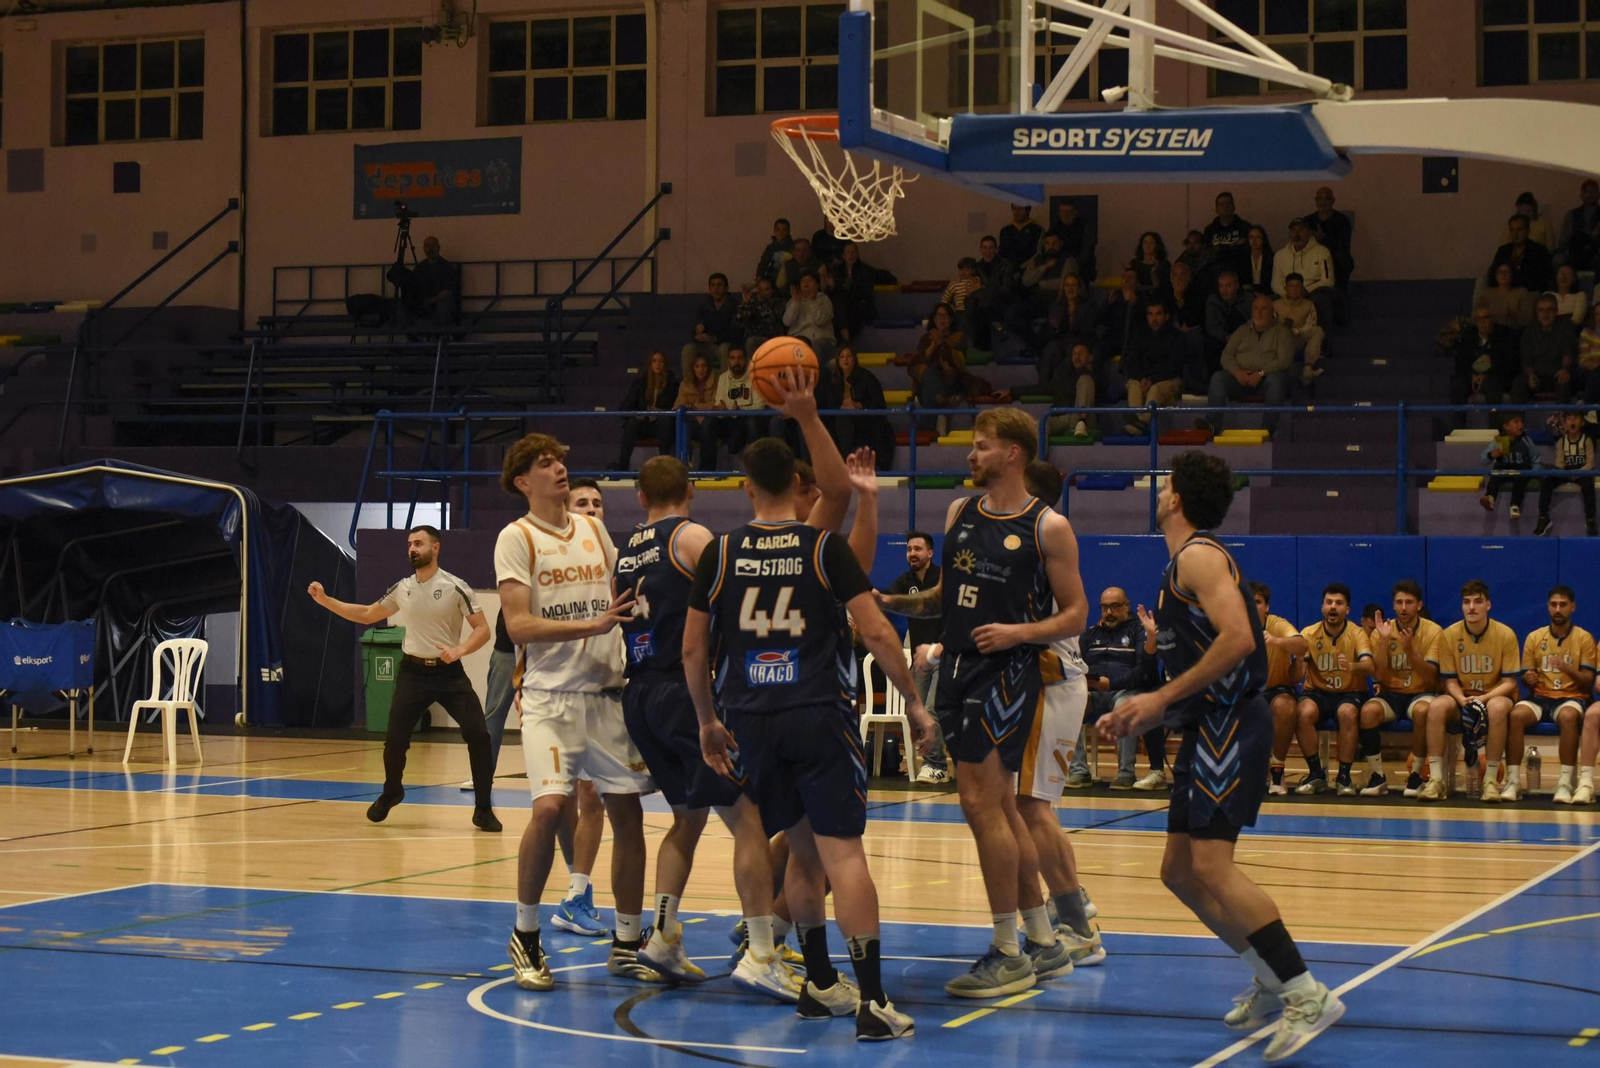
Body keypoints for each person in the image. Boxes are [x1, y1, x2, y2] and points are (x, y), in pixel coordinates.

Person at [689, 373, 934, 1040]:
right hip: (818, 710)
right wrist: (914, 702)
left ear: (746, 488)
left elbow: (693, 649)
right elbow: (879, 631)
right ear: (798, 488)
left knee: (801, 854)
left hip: (749, 717)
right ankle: (875, 1001)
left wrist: (709, 720)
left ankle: (820, 983)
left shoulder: (719, 551)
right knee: (843, 857)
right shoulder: (820, 545)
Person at [1100, 450, 1344, 1061]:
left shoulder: (1200, 556)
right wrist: (1159, 704)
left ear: (1177, 497)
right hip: (1206, 721)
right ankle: (1268, 973)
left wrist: (1159, 698)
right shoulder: (1181, 562)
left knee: (1211, 866)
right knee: (1178, 871)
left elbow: (1240, 639)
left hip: (1231, 721)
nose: (1158, 493)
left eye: (1164, 486)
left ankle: (1305, 990)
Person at [878, 408, 1087, 999]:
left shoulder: (1049, 526)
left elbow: (1076, 614)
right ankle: (1043, 942)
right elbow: (949, 597)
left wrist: (1019, 633)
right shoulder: (959, 513)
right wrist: (890, 602)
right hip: (962, 667)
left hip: (1009, 670)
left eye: (981, 447)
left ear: (1013, 454)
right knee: (998, 809)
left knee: (980, 805)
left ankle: (1007, 950)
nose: (970, 456)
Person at [498, 432, 657, 991]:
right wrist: (592, 625)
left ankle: (628, 941)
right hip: (550, 700)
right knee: (548, 809)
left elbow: (624, 595)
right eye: (546, 464)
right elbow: (518, 626)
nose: (561, 469)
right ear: (523, 482)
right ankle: (526, 935)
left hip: (608, 694)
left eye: (562, 460)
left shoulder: (591, 528)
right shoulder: (515, 538)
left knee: (629, 814)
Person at [608, 456, 752, 983]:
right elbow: (738, 604)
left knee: (688, 817)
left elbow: (617, 610)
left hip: (640, 691)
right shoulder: (693, 538)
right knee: (750, 820)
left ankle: (664, 938)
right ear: (691, 489)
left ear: (640, 497)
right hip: (683, 691)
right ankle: (764, 947)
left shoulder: (626, 550)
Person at [308, 525, 500, 832]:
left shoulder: (455, 586)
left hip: (449, 674)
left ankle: (483, 809)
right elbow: (368, 614)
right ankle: (392, 791)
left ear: (435, 548)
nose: (412, 548)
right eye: (409, 544)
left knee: (479, 735)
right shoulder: (403, 587)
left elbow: (483, 629)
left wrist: (460, 649)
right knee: (395, 740)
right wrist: (326, 601)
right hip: (413, 673)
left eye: (418, 543)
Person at [1010, 459, 1105, 967]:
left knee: (1031, 808)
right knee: (1032, 808)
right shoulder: (1037, 541)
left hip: (1054, 683)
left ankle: (1076, 925)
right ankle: (1073, 904)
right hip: (1054, 685)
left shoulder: (1042, 541)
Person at [1418, 580, 1522, 802]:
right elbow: (1450, 681)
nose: (1472, 607)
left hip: (1494, 694)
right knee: (1436, 706)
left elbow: (1510, 682)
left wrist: (1483, 698)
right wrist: (1461, 699)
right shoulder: (1449, 635)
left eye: (1478, 601)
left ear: (1488, 605)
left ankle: (1491, 781)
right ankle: (1436, 781)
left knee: (1496, 708)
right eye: (1467, 602)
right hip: (1462, 696)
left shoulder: (1505, 634)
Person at [1068, 587, 1164, 790]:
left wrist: (1111, 684)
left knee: (1125, 706)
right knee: (1069, 703)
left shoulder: (1138, 631)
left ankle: (1126, 773)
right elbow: (1075, 663)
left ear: (1126, 606)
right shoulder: (1090, 634)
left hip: (1124, 692)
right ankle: (1078, 771)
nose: (1109, 612)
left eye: (1114, 607)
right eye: (1104, 607)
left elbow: (1144, 672)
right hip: (1092, 693)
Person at [1511, 585, 1595, 805]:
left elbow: (1589, 682)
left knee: (1568, 716)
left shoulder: (1584, 638)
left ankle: (1566, 782)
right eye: (1554, 604)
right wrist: (1528, 679)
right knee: (1515, 715)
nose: (1558, 609)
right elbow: (1527, 678)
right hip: (1541, 697)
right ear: (1548, 607)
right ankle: (1513, 781)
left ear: (1572, 607)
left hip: (1572, 697)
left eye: (1563, 605)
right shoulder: (1534, 637)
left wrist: (1568, 669)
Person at [1361, 580, 1442, 798]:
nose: (1404, 607)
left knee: (1422, 711)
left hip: (1421, 692)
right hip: (1391, 694)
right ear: (1394, 606)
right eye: (1399, 602)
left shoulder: (1433, 631)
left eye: (1409, 602)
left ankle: (1416, 775)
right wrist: (1385, 642)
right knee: (1368, 712)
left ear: (1419, 605)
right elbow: (1378, 674)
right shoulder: (1381, 631)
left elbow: (1430, 676)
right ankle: (1378, 777)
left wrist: (1410, 651)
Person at [1291, 583, 1373, 796]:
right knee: (1302, 712)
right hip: (1318, 692)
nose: (1333, 607)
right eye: (1329, 602)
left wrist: (1352, 666)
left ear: (1347, 609)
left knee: (1347, 713)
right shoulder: (1309, 633)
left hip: (1350, 692)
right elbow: (1298, 675)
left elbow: (1369, 666)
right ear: (1322, 607)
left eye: (1339, 603)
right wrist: (1298, 661)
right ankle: (1316, 773)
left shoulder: (1357, 634)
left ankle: (1344, 776)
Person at [883, 531, 951, 784]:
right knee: (916, 710)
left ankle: (936, 766)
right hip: (920, 660)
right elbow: (888, 601)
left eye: (918, 549)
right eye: (909, 549)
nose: (912, 553)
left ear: (930, 553)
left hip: (945, 654)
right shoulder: (904, 581)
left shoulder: (943, 578)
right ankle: (934, 762)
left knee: (933, 708)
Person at [1208, 293, 1293, 435]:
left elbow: (1285, 360)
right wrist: (1237, 372)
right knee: (1218, 378)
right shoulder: (1242, 330)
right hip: (1241, 378)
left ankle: (1267, 431)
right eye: (1256, 309)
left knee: (1277, 381)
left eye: (1263, 309)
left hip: (1266, 380)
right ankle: (1211, 428)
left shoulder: (1282, 331)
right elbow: (1226, 355)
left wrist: (1261, 373)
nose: (1259, 313)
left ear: (1272, 311)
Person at [1254, 582, 1309, 796]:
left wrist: (1276, 641)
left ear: (1266, 607)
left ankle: (1277, 770)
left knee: (1285, 706)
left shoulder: (1276, 624)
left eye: (1257, 602)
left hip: (1276, 688)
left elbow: (1302, 646)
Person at [1122, 298, 1187, 437]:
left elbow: (1174, 367)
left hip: (1169, 379)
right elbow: (1131, 361)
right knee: (1134, 386)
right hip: (1143, 379)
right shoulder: (1139, 335)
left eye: (1158, 314)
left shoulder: (1177, 337)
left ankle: (1140, 422)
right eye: (1150, 314)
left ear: (1166, 316)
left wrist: (1152, 380)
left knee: (1155, 390)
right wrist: (1142, 379)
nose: (1154, 318)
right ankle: (1138, 424)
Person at [817, 346, 892, 462]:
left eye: (849, 356)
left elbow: (879, 404)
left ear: (854, 359)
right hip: (842, 422)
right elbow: (829, 404)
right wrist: (840, 407)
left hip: (866, 420)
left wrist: (859, 405)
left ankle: (846, 462)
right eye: (842, 357)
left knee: (843, 421)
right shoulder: (834, 380)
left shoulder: (867, 377)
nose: (845, 359)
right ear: (838, 361)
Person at [1533, 409, 1598, 537]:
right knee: (1547, 480)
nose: (1572, 421)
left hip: (1582, 472)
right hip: (1566, 471)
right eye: (1569, 418)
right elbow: (1560, 463)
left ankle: (1590, 519)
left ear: (1582, 423)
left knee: (1588, 484)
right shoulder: (1562, 442)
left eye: (1576, 418)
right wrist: (1563, 473)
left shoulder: (1586, 440)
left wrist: (1578, 472)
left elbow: (1590, 463)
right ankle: (1543, 517)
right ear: (1565, 423)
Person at [612, 351, 679, 470]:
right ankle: (622, 467)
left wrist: (660, 412)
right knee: (632, 423)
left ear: (665, 364)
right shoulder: (640, 384)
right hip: (643, 424)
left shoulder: (673, 384)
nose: (657, 364)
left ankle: (665, 467)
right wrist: (639, 414)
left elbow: (676, 409)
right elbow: (624, 409)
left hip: (662, 425)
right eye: (654, 361)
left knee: (665, 421)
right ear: (650, 364)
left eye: (661, 361)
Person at [704, 346, 768, 470]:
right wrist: (720, 410)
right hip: (730, 419)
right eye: (733, 358)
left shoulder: (756, 376)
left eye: (740, 358)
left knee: (751, 423)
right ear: (728, 361)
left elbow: (759, 406)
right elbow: (720, 404)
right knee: (708, 423)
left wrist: (739, 411)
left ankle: (757, 471)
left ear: (746, 360)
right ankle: (707, 471)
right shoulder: (723, 378)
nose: (736, 362)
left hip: (750, 419)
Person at [1511, 293, 1578, 404]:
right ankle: (1516, 420)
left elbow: (1568, 353)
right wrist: (1531, 375)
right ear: (1536, 313)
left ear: (1556, 311)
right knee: (1518, 383)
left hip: (1558, 374)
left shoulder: (1566, 328)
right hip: (1537, 376)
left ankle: (1560, 420)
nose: (1545, 314)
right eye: (1541, 310)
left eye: (1550, 310)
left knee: (1564, 381)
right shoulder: (1529, 331)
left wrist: (1565, 369)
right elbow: (1526, 359)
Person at [1271, 218, 1335, 328]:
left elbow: (1328, 281)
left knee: (1322, 299)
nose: (1297, 233)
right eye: (1293, 230)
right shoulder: (1280, 255)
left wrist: (1305, 290)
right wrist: (1287, 294)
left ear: (1309, 231)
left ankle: (1321, 336)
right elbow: (1275, 283)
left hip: (1312, 293)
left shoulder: (1321, 252)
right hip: (1287, 294)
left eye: (1301, 229)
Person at [1454, 303, 1520, 410]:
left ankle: (1494, 425)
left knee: (1492, 385)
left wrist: (1486, 375)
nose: (1482, 322)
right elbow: (1461, 363)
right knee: (1458, 386)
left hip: (1495, 377)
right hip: (1472, 378)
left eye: (1486, 318)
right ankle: (1458, 426)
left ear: (1493, 319)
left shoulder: (1505, 335)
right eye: (1479, 319)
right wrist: (1472, 376)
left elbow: (1509, 363)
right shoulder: (1469, 336)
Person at [681, 273, 742, 380]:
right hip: (708, 346)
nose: (716, 289)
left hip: (725, 345)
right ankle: (689, 388)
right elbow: (695, 331)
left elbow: (735, 333)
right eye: (713, 285)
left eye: (719, 285)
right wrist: (697, 333)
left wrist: (713, 338)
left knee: (724, 349)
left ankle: (725, 387)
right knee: (688, 349)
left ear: (726, 288)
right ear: (709, 288)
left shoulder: (734, 306)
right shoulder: (704, 306)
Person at [1040, 274, 1100, 383]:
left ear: (1079, 288)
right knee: (1051, 348)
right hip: (1062, 341)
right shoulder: (1056, 305)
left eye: (1073, 285)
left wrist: (1073, 320)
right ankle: (1043, 385)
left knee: (1072, 349)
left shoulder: (1089, 305)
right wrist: (1054, 327)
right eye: (1067, 285)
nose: (1070, 289)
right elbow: (1049, 333)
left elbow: (1089, 330)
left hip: (1082, 340)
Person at [1479, 409, 1537, 518]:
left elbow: (1535, 458)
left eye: (1521, 422)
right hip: (1504, 469)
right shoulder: (1498, 441)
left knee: (1521, 478)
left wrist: (1535, 472)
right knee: (1495, 474)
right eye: (1516, 422)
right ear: (1506, 426)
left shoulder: (1526, 440)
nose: (1520, 425)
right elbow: (1483, 459)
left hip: (1520, 470)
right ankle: (1490, 498)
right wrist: (1491, 455)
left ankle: (1515, 505)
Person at [1274, 274, 1326, 383]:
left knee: (1317, 330)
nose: (1295, 289)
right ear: (1285, 288)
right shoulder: (1276, 305)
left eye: (1298, 286)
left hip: (1298, 340)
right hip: (1279, 342)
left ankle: (1308, 368)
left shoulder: (1308, 304)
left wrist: (1295, 331)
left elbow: (1310, 325)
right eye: (1291, 286)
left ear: (1302, 288)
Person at [1307, 186, 1355, 301]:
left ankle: (1340, 294)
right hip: (1313, 259)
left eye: (1327, 199)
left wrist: (1322, 238)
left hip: (1335, 259)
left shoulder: (1342, 221)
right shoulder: (1308, 221)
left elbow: (1343, 245)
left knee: (1342, 258)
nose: (1323, 202)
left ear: (1333, 201)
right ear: (1316, 201)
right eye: (1320, 198)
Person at [1488, 213, 1554, 294]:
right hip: (1505, 292)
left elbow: (1542, 279)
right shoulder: (1503, 250)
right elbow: (1493, 273)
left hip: (1529, 293)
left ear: (1528, 231)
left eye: (1519, 230)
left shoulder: (1539, 251)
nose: (1515, 234)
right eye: (1512, 230)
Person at [399, 236, 458, 326]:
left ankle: (441, 335)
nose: (430, 249)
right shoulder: (419, 268)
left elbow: (448, 292)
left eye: (433, 245)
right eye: (427, 246)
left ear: (438, 247)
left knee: (443, 305)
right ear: (424, 248)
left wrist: (431, 301)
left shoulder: (447, 267)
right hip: (423, 304)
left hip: (439, 305)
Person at [676, 353, 721, 470]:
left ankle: (706, 470)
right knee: (684, 424)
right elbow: (678, 406)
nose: (701, 370)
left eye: (704, 366)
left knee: (708, 425)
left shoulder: (717, 381)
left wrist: (694, 406)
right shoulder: (685, 384)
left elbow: (716, 404)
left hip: (713, 422)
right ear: (692, 368)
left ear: (708, 367)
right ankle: (684, 466)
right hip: (694, 423)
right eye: (697, 366)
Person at [1204, 271, 1251, 375]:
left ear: (1237, 286)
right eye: (1221, 286)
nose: (1224, 290)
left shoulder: (1247, 299)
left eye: (1228, 286)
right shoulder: (1213, 301)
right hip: (1223, 338)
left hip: (1244, 337)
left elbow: (1253, 321)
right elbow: (1212, 326)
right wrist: (1225, 337)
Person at [782, 271, 836, 362]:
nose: (806, 282)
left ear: (817, 285)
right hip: (798, 341)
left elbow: (819, 321)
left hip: (822, 341)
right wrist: (796, 302)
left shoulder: (824, 300)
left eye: (810, 280)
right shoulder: (793, 301)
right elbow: (787, 322)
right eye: (803, 280)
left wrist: (813, 301)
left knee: (813, 345)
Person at [831, 241, 879, 341]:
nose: (851, 255)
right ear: (843, 255)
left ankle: (846, 336)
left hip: (860, 304)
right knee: (838, 303)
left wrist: (847, 287)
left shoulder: (866, 270)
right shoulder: (836, 270)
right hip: (841, 306)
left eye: (853, 252)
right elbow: (833, 291)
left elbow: (865, 292)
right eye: (848, 252)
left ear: (858, 254)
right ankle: (844, 334)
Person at [1203, 191, 1252, 278]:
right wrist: (1234, 246)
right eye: (1221, 204)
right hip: (1216, 277)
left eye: (1228, 204)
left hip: (1241, 275)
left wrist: (1221, 249)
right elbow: (1207, 255)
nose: (1225, 207)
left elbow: (1247, 253)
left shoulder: (1245, 227)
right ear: (1216, 209)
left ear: (1234, 207)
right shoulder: (1209, 230)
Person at [1048, 198, 1097, 282]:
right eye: (1063, 212)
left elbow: (1086, 254)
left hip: (1082, 271)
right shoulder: (1054, 229)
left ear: (1075, 212)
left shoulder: (1086, 227)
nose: (1066, 215)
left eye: (1069, 212)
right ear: (1059, 214)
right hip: (1059, 270)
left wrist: (1069, 264)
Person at [1557, 178, 1600, 271]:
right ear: (1581, 195)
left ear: (1598, 193)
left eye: (1593, 191)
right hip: (1575, 251)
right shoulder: (1571, 215)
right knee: (1558, 260)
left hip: (1596, 251)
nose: (1589, 194)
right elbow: (1563, 240)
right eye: (1586, 191)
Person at [737, 277, 787, 353]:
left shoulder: (779, 303)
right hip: (753, 338)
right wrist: (746, 303)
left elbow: (771, 319)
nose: (762, 292)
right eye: (760, 289)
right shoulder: (752, 301)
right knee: (751, 342)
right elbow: (741, 320)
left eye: (766, 289)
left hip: (772, 338)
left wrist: (761, 303)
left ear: (772, 290)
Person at [1483, 262, 1535, 329]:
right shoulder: (1487, 294)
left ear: (1512, 275)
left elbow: (1526, 319)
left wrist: (1512, 315)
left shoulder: (1521, 292)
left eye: (1507, 272)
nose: (1503, 274)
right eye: (1500, 272)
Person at [754, 218, 794, 286]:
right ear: (774, 231)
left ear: (788, 231)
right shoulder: (770, 248)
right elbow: (763, 263)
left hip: (789, 279)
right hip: (772, 280)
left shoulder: (794, 246)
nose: (780, 233)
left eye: (784, 230)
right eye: (778, 229)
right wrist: (759, 276)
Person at [1240, 225, 1273, 296]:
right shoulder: (1242, 259)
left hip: (1267, 293)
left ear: (1263, 239)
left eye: (1258, 237)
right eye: (1251, 237)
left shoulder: (1271, 258)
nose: (1254, 240)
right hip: (1247, 294)